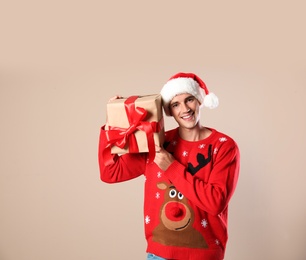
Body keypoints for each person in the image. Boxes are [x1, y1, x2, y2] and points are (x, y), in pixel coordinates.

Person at [98, 72, 240, 260]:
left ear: (199, 100)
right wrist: (113, 126)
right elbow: (110, 172)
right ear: (169, 111)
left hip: (204, 255)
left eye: (189, 100)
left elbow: (216, 203)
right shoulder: (157, 144)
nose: (185, 109)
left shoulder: (224, 146)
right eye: (175, 104)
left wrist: (171, 166)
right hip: (159, 255)